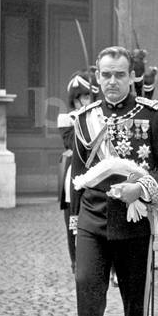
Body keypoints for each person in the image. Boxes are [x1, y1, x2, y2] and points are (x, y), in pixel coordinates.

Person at [60, 46, 158, 316]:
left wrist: (141, 188)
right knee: (87, 286)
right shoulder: (85, 118)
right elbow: (78, 177)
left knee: (134, 295)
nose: (112, 81)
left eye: (119, 74)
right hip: (93, 216)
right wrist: (74, 223)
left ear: (131, 77)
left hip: (133, 217)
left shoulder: (153, 115)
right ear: (98, 78)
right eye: (106, 75)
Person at [57, 70, 94, 271]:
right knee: (73, 220)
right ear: (75, 99)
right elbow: (72, 143)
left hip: (94, 171)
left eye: (89, 96)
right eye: (84, 97)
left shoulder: (96, 117)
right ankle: (76, 261)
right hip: (74, 172)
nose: (87, 100)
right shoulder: (68, 119)